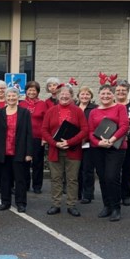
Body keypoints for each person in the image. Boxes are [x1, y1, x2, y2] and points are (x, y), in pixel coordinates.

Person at [42, 84, 88, 216]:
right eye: (61, 94)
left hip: (73, 150)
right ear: (56, 96)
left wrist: (69, 141)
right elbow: (44, 130)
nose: (64, 96)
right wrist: (55, 143)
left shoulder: (78, 111)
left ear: (72, 96)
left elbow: (85, 130)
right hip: (54, 150)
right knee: (56, 178)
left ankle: (71, 204)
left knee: (72, 179)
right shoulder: (51, 111)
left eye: (67, 94)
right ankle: (56, 204)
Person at [88, 79, 129, 221]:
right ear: (99, 95)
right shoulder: (93, 111)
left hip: (115, 148)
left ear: (113, 95)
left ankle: (116, 208)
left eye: (108, 93)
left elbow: (124, 126)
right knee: (103, 177)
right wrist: (99, 142)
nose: (105, 96)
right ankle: (107, 206)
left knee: (112, 177)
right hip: (98, 148)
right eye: (103, 93)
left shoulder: (120, 108)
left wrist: (111, 140)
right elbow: (90, 131)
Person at [0, 86, 35, 212]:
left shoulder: (24, 113)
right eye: (8, 96)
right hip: (3, 152)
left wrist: (29, 152)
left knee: (20, 179)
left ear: (18, 97)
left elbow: (29, 133)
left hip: (19, 152)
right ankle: (5, 202)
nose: (11, 98)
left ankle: (21, 203)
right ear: (5, 98)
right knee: (5, 179)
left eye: (13, 95)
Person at [20, 80, 49, 194]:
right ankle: (25, 184)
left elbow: (46, 122)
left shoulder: (42, 104)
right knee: (24, 163)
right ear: (26, 91)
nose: (31, 92)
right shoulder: (21, 103)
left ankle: (37, 185)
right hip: (24, 138)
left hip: (38, 137)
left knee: (38, 162)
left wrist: (44, 137)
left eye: (34, 90)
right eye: (29, 90)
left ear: (37, 92)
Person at [76, 85, 98, 204]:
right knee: (76, 169)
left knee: (88, 169)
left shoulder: (95, 108)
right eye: (82, 94)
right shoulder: (74, 107)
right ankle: (77, 193)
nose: (84, 96)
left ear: (91, 96)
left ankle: (88, 194)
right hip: (75, 143)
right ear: (78, 96)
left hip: (89, 143)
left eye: (87, 94)